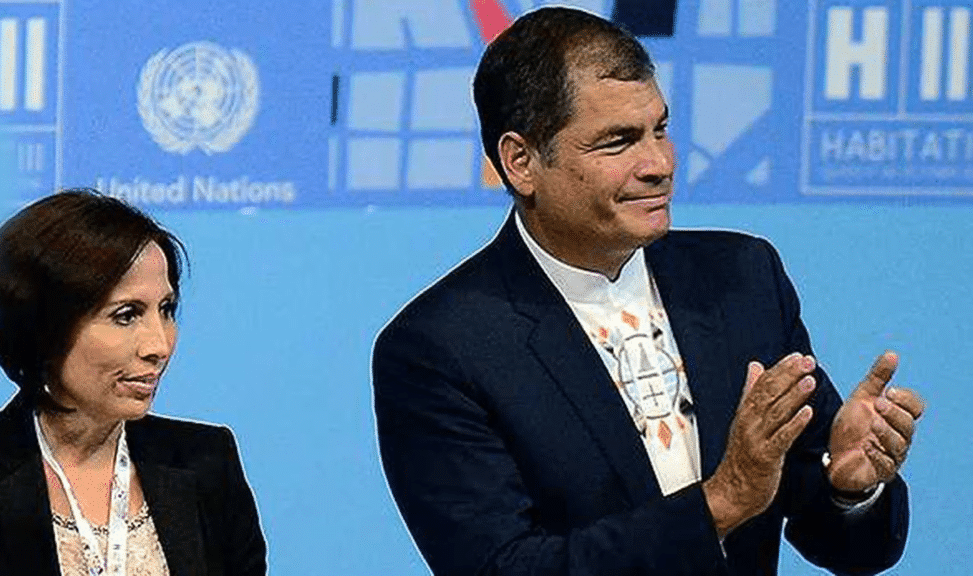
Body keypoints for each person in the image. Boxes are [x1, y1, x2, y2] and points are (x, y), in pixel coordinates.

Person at [373, 7, 925, 576]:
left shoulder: (741, 277)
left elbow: (846, 544)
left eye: (660, 129)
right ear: (521, 162)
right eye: (618, 142)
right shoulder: (438, 349)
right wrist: (720, 504)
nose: (659, 164)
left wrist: (848, 487)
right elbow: (504, 568)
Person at [0, 189, 267, 575]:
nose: (159, 345)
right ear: (45, 327)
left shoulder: (206, 462)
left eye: (166, 310)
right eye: (127, 315)